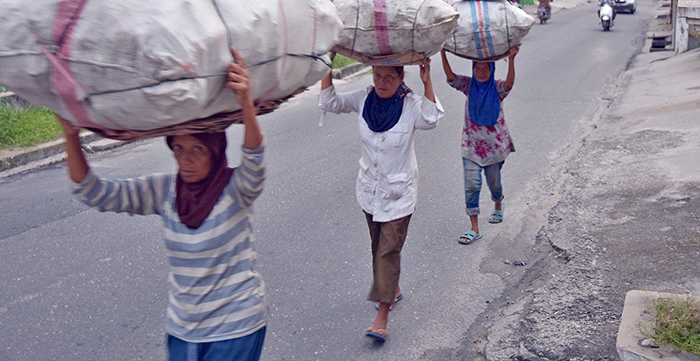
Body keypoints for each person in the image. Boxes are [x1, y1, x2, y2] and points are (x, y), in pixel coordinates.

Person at [57, 47, 268, 361]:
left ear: (215, 150)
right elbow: (94, 193)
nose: (185, 158)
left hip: (236, 327)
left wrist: (245, 103)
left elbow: (254, 156)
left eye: (198, 149)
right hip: (183, 331)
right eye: (178, 148)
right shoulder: (164, 190)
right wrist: (71, 136)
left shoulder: (237, 189)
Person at [318, 56, 443, 342]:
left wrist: (427, 82)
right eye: (377, 76)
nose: (382, 83)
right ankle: (393, 288)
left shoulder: (410, 105)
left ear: (401, 79)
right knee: (377, 245)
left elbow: (431, 119)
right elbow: (329, 103)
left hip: (400, 193)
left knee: (388, 250)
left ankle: (381, 317)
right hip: (370, 190)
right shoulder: (364, 100)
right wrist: (326, 69)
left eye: (389, 77)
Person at [440, 45, 519, 245]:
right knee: (472, 184)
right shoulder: (468, 86)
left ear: (491, 70)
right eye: (477, 68)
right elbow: (451, 78)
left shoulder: (497, 88)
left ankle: (498, 203)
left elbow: (509, 84)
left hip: (494, 149)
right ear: (473, 69)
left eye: (486, 69)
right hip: (471, 147)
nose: (481, 72)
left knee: (494, 184)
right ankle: (474, 228)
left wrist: (511, 60)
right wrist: (443, 54)